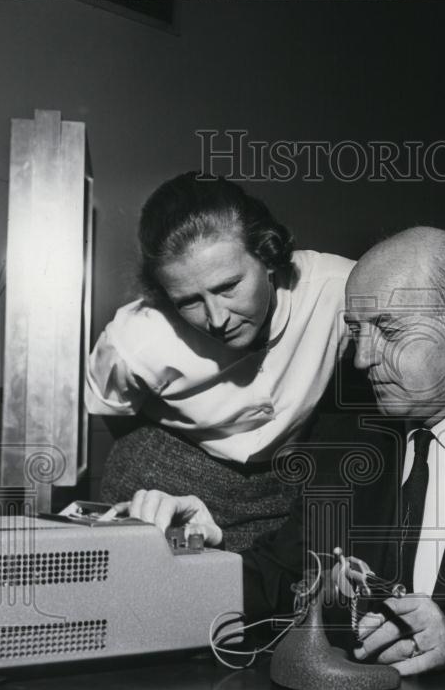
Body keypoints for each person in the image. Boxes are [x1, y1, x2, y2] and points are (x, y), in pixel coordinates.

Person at [124, 226, 445, 686]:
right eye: (355, 331)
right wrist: (191, 556)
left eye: (389, 330)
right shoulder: (339, 448)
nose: (363, 357)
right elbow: (279, 579)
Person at [86, 172, 355, 547]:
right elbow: (111, 409)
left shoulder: (343, 288)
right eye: (188, 301)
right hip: (163, 480)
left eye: (228, 287)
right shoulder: (134, 337)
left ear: (268, 252)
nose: (216, 318)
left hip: (285, 484)